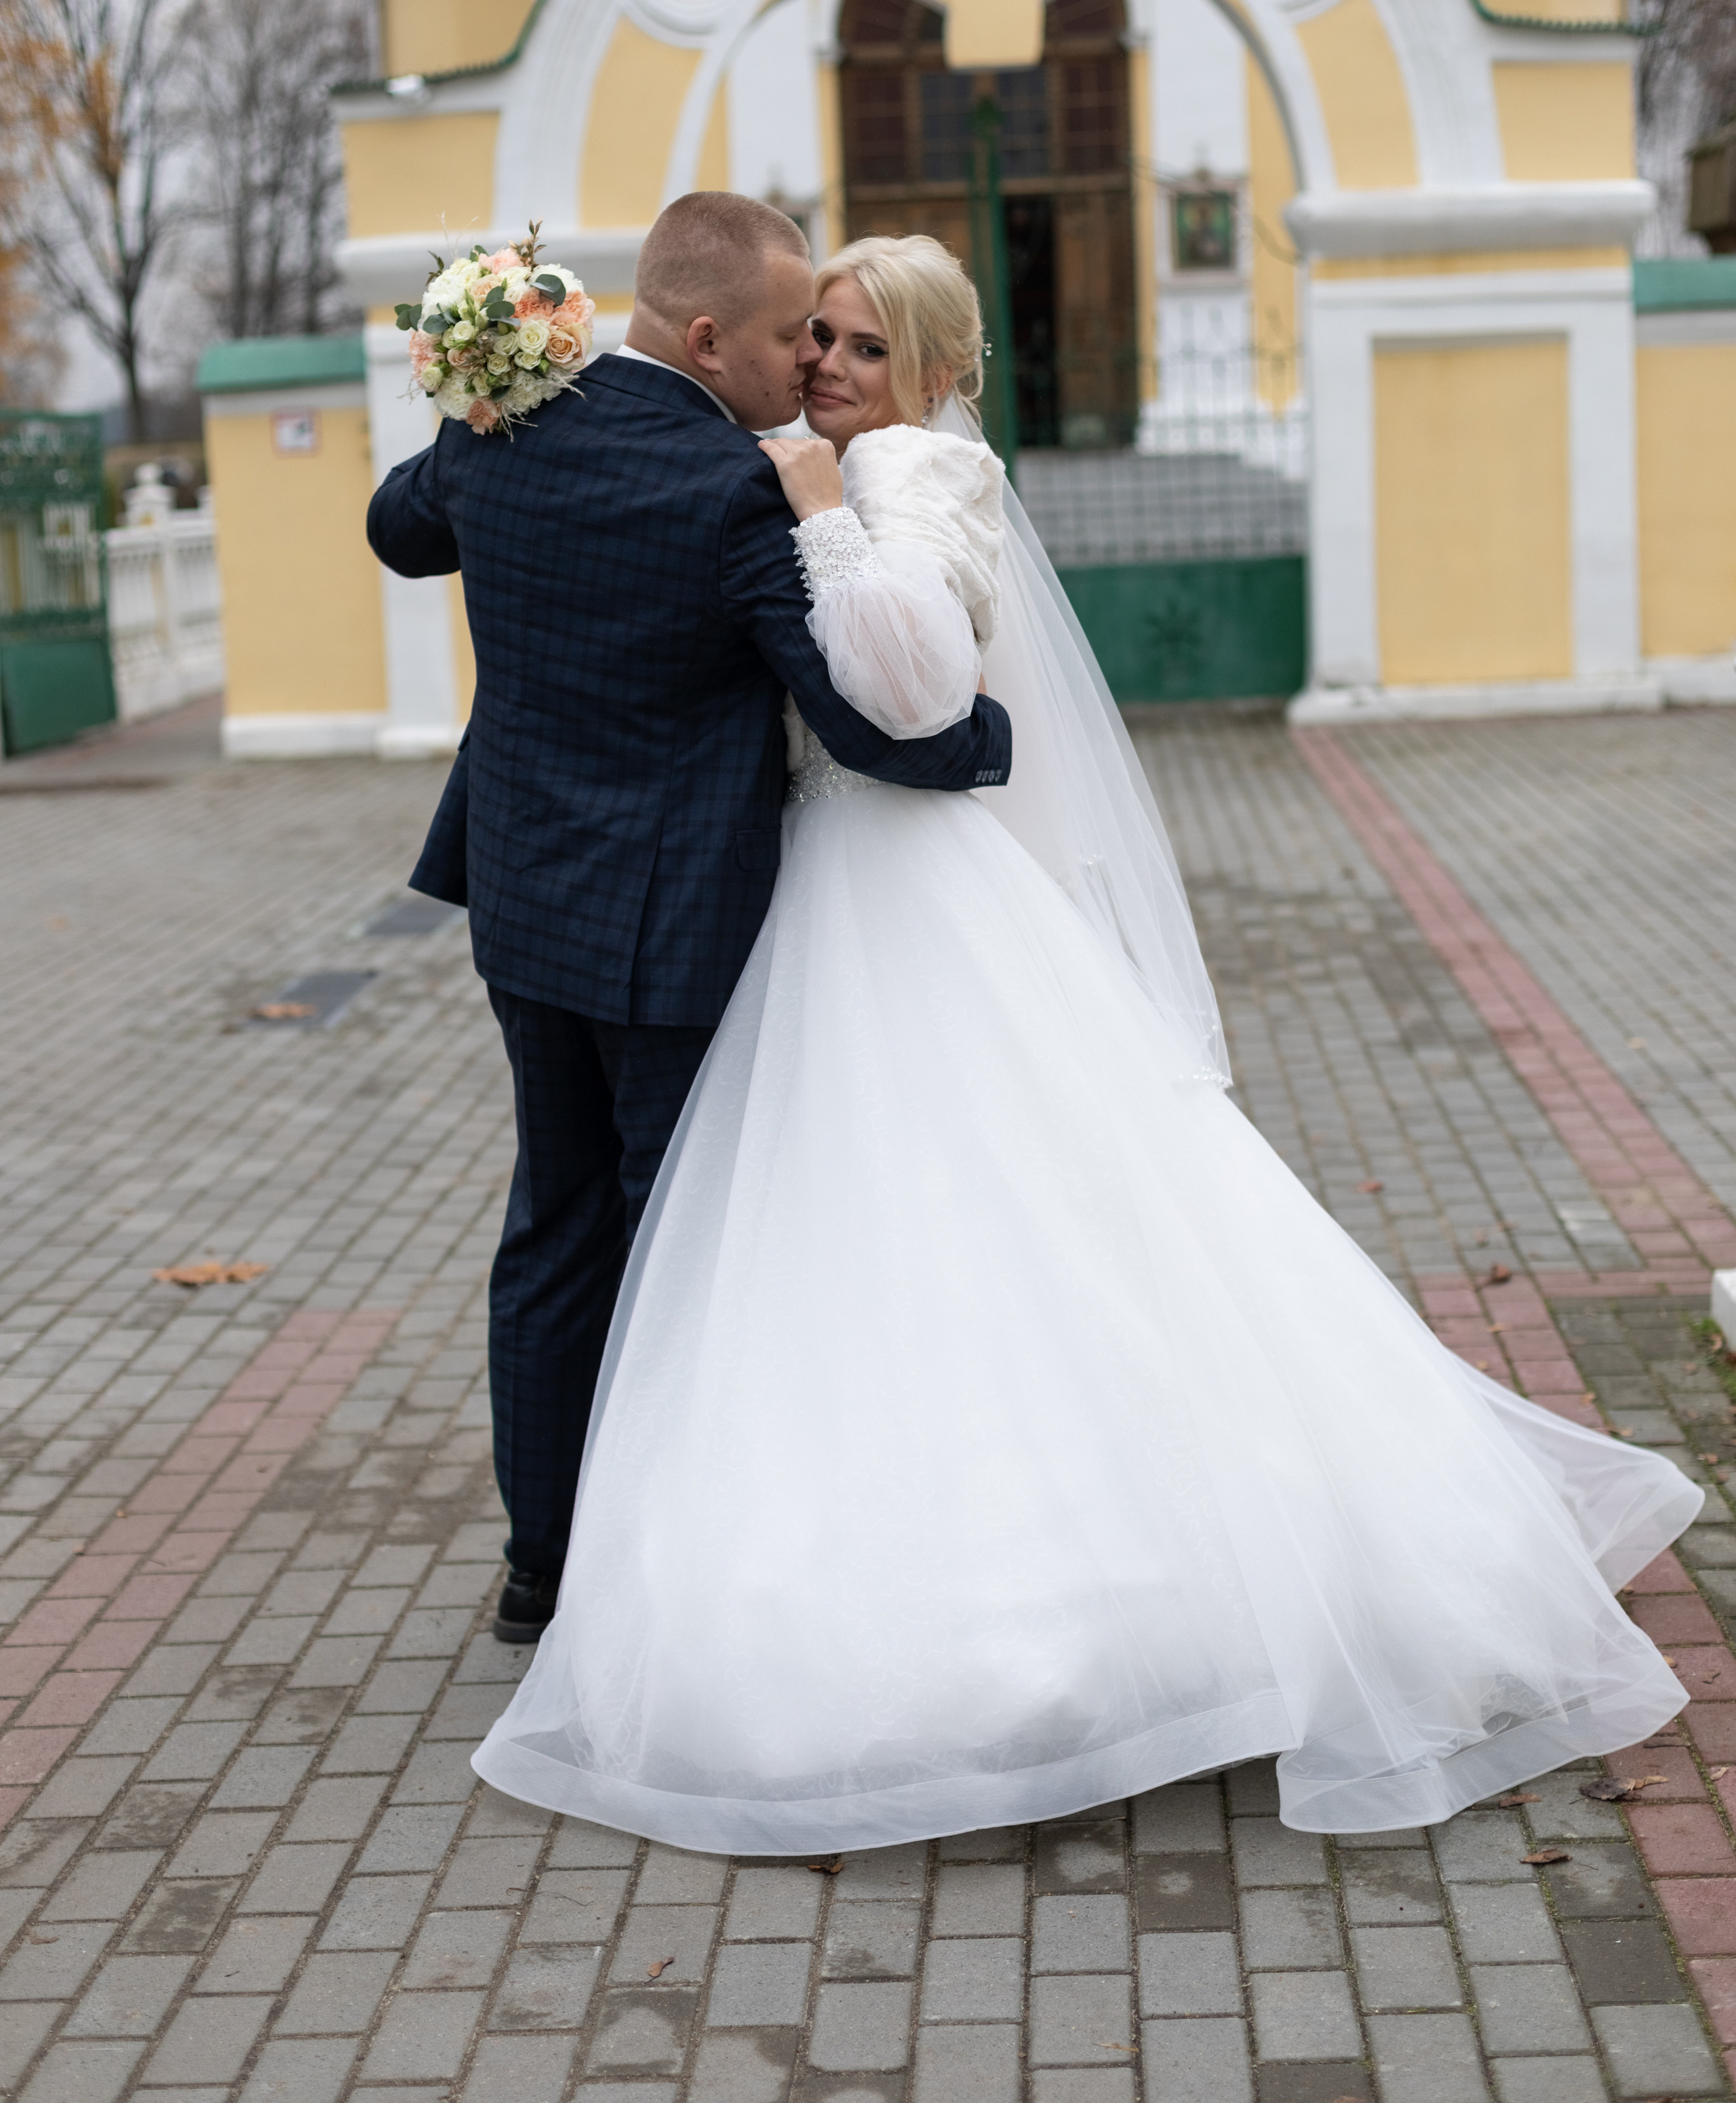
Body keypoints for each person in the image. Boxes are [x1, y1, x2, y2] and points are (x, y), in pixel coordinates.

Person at [473, 231, 1700, 1849]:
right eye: (812, 341)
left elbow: (908, 699)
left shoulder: (903, 474)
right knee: (896, 1226)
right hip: (827, 888)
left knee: (954, 1210)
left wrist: (824, 525)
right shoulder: (830, 466)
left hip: (897, 881)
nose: (820, 370)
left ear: (920, 369)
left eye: (852, 346)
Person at [365, 197, 1012, 1645]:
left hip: (524, 905)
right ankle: (669, 1578)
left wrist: (475, 409)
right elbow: (863, 720)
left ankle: (540, 1568)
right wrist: (987, 751)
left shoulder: (506, 421)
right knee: (681, 1242)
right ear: (709, 335)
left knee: (552, 1222)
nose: (806, 366)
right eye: (792, 335)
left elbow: (395, 531)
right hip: (675, 931)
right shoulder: (731, 486)